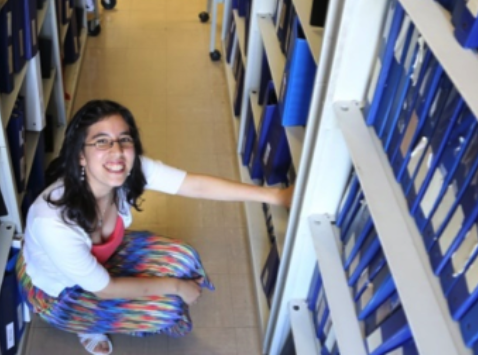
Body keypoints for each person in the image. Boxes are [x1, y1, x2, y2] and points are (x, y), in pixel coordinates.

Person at [17, 100, 293, 354]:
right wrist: (175, 287)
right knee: (166, 308)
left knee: (185, 258)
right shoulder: (52, 223)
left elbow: (194, 185)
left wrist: (274, 196)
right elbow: (106, 288)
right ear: (80, 155)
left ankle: (125, 304)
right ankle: (85, 324)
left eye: (124, 139)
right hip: (58, 291)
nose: (116, 151)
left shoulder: (126, 168)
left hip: (99, 261)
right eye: (101, 142)